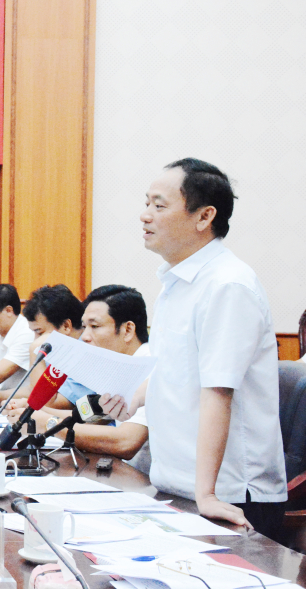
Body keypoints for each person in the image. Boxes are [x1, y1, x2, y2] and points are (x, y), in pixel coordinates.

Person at [105, 158, 286, 535]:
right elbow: (174, 369)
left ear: (204, 216)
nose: (145, 215)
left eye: (159, 205)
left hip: (229, 495)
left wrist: (206, 494)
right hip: (179, 484)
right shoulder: (177, 283)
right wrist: (132, 398)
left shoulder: (227, 285)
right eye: (147, 203)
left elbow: (218, 391)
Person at [4, 285, 152, 472]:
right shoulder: (116, 367)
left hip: (148, 482)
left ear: (128, 330)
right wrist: (32, 411)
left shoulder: (148, 368)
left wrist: (47, 422)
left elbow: (125, 442)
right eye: (84, 327)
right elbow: (91, 417)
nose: (85, 337)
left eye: (94, 327)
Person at [0, 284, 83, 410]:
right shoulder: (61, 348)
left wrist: (34, 350)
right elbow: (32, 390)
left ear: (66, 326)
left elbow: (45, 402)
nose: (35, 339)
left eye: (39, 332)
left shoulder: (83, 355)